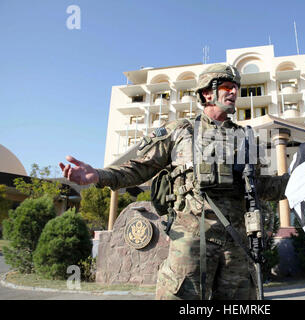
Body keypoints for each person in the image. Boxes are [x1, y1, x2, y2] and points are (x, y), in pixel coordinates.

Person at [59, 63, 289, 300]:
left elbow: (262, 187)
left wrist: (297, 182)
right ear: (207, 93)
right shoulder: (181, 131)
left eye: (235, 88)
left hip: (237, 245)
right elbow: (140, 168)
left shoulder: (246, 138)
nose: (233, 93)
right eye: (226, 87)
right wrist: (98, 175)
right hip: (191, 242)